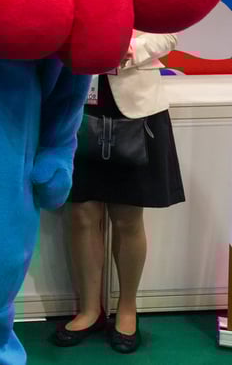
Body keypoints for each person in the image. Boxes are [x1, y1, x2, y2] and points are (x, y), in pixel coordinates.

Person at [50, 31, 183, 354]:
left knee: (127, 216)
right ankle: (89, 310)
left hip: (136, 109)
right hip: (77, 102)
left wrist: (127, 48)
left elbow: (170, 32)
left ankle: (127, 309)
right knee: (81, 213)